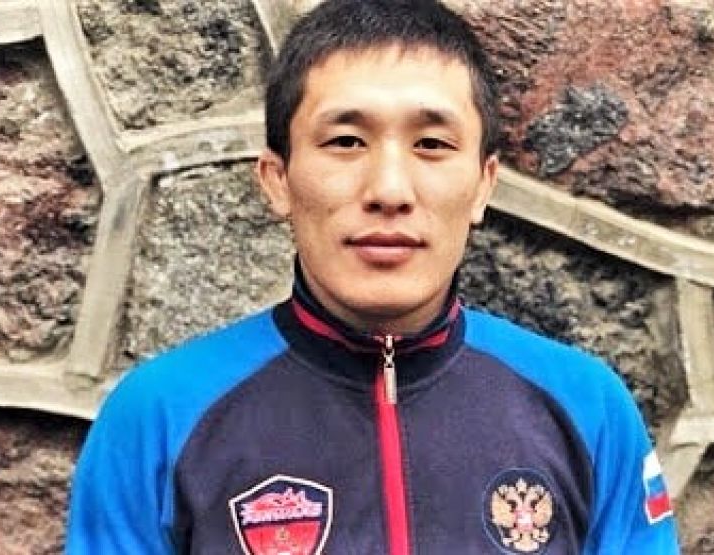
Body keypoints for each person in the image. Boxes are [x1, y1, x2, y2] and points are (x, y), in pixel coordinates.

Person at [66, 0, 680, 553]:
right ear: (277, 180)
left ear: (483, 184)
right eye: (346, 141)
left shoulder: (587, 407)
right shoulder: (158, 417)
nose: (389, 189)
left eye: (432, 144)